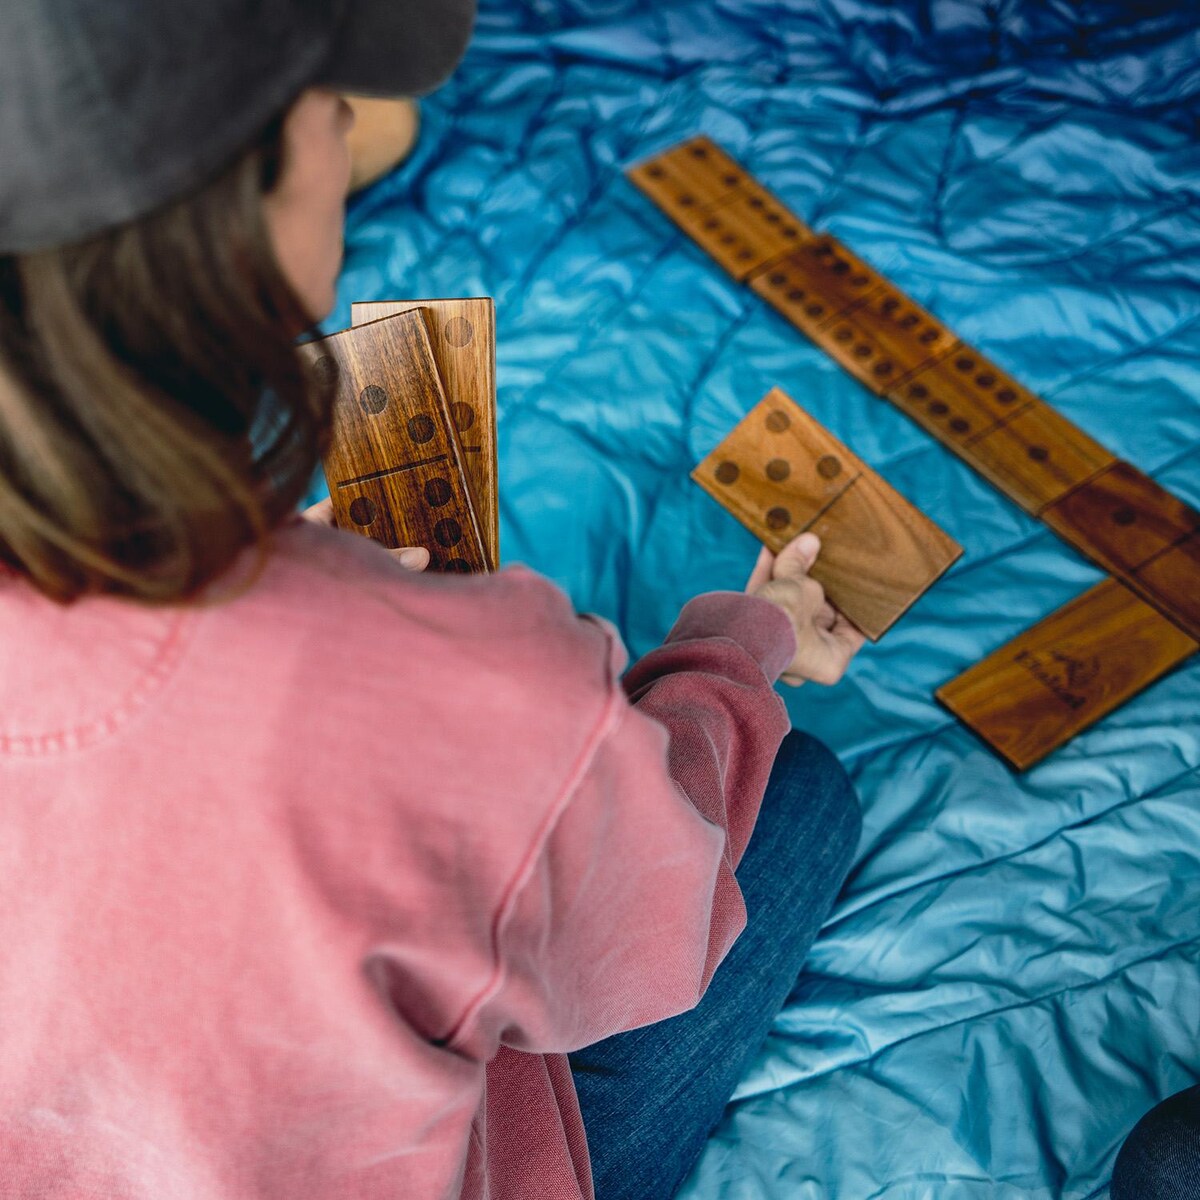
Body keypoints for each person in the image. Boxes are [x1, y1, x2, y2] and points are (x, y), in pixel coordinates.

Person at [0, 3, 865, 1198]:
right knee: (803, 798)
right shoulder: (482, 685)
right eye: (323, 108)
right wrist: (737, 648)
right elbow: (644, 955)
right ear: (238, 215)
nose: (350, 121)